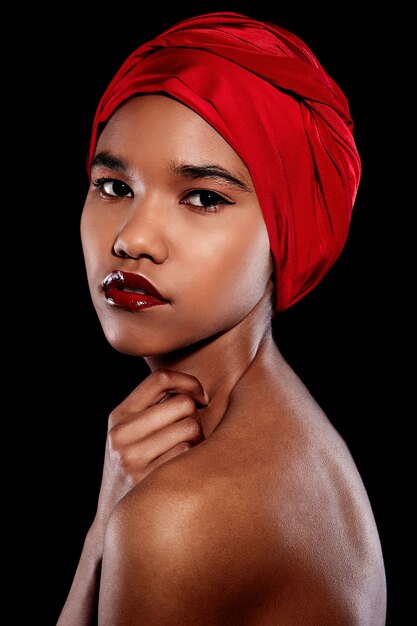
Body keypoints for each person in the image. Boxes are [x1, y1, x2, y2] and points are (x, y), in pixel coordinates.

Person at [57, 11, 386, 625]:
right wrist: (105, 523)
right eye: (113, 186)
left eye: (203, 198)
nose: (131, 239)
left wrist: (122, 526)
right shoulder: (292, 434)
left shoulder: (185, 512)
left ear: (285, 232)